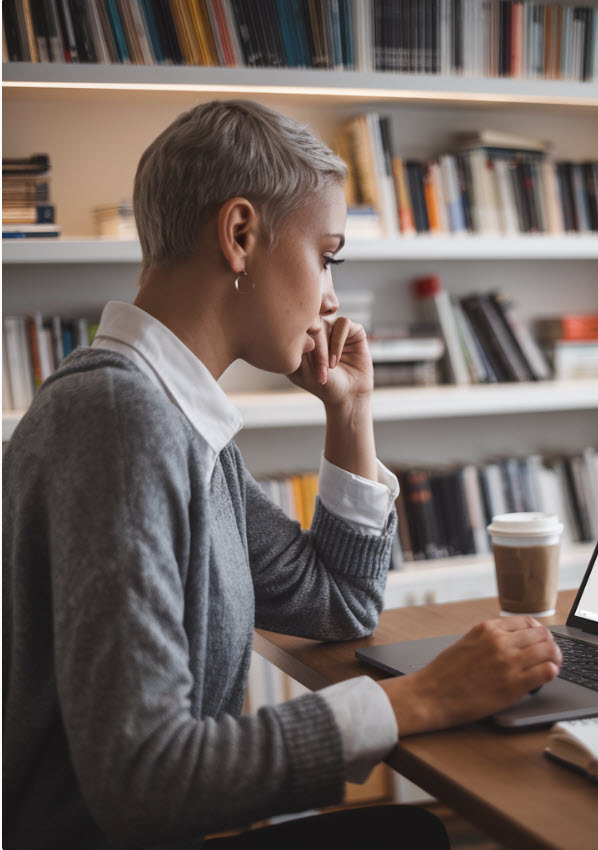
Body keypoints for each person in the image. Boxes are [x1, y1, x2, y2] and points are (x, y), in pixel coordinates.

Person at [2, 99, 562, 850]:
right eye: (325, 254)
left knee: (412, 838)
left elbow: (340, 604)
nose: (331, 297)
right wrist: (417, 700)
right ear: (240, 235)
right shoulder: (121, 423)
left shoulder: (178, 424)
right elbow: (143, 780)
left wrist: (350, 412)